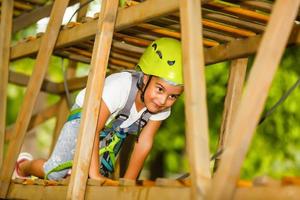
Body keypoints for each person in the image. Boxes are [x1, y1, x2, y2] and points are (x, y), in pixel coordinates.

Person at [14, 37, 184, 181]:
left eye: (173, 96)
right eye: (160, 89)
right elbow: (92, 127)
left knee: (91, 177)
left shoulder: (160, 109)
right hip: (85, 120)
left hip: (111, 130)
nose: (163, 100)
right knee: (55, 173)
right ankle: (23, 166)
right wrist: (94, 174)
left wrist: (128, 183)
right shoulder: (120, 86)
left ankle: (78, 172)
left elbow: (144, 143)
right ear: (145, 78)